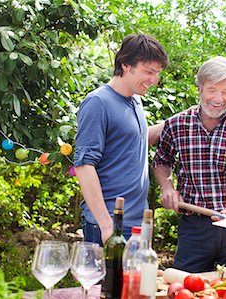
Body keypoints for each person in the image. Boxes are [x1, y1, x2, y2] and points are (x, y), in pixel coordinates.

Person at [152, 56, 226, 272]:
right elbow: (161, 160)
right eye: (212, 90)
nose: (218, 98)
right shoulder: (177, 124)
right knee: (184, 289)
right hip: (195, 230)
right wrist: (167, 186)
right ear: (199, 89)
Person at [74, 34, 168, 246]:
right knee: (105, 281)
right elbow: (84, 165)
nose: (154, 80)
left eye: (157, 73)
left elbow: (136, 141)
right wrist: (107, 226)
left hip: (136, 223)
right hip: (109, 225)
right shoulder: (98, 102)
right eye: (149, 72)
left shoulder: (135, 101)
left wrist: (180, 120)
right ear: (125, 65)